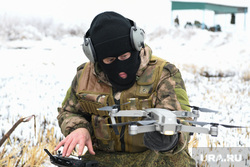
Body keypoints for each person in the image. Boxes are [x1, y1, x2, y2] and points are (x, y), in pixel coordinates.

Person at [55, 11, 196, 166]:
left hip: (155, 157)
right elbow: (68, 112)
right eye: (110, 60)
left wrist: (170, 139)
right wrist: (79, 128)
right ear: (96, 58)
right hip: (102, 158)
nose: (120, 66)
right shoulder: (84, 77)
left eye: (125, 56)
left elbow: (183, 120)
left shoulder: (163, 74)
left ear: (136, 44)